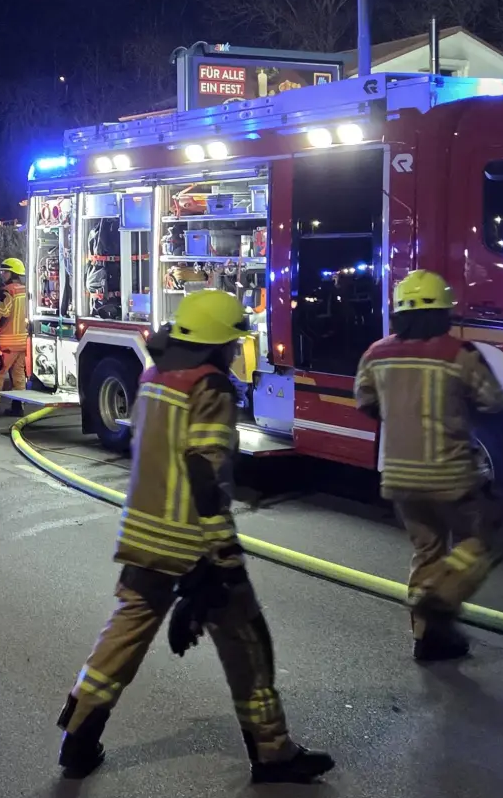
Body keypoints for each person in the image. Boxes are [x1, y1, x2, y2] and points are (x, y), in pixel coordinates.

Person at [57, 290, 334, 785]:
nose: (234, 350)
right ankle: (272, 753)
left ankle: (77, 738)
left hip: (143, 535)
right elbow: (205, 477)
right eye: (231, 342)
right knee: (247, 640)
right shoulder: (209, 388)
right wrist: (219, 562)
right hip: (193, 540)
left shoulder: (154, 376)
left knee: (122, 638)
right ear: (215, 343)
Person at [354, 269, 503, 662]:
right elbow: (494, 403)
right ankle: (440, 597)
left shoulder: (375, 354)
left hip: (397, 475)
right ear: (444, 313)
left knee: (427, 550)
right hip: (450, 474)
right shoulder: (459, 354)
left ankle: (428, 639)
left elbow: (365, 401)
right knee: (489, 538)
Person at [0, 257, 30, 418]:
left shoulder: (6, 291)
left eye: (4, 272)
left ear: (12, 273)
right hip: (23, 342)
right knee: (19, 375)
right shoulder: (26, 290)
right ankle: (18, 407)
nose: (2, 275)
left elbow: (2, 314)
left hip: (8, 343)